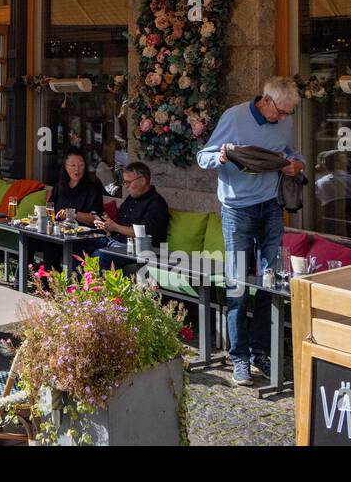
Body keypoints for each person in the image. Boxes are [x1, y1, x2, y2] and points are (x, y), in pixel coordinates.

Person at [197, 75, 306, 387]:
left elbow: (295, 154)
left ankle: (262, 351)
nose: (284, 118)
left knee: (270, 284)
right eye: (281, 112)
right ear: (267, 101)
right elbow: (202, 156)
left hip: (271, 206)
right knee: (238, 284)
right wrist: (218, 157)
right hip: (237, 210)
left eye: (289, 114)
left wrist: (296, 166)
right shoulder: (234, 117)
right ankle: (239, 356)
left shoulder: (284, 122)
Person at [96, 161, 171, 246]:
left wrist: (115, 227)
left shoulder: (157, 203)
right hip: (115, 242)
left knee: (99, 255)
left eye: (128, 182)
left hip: (141, 252)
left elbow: (144, 232)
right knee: (84, 245)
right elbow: (119, 224)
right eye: (124, 182)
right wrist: (107, 224)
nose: (126, 186)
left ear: (142, 181)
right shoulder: (130, 198)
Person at [48, 148, 107, 226]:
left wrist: (73, 214)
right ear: (65, 167)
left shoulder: (93, 188)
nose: (77, 169)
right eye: (73, 165)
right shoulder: (59, 187)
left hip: (84, 235)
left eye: (81, 165)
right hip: (59, 232)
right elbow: (49, 209)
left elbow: (98, 219)